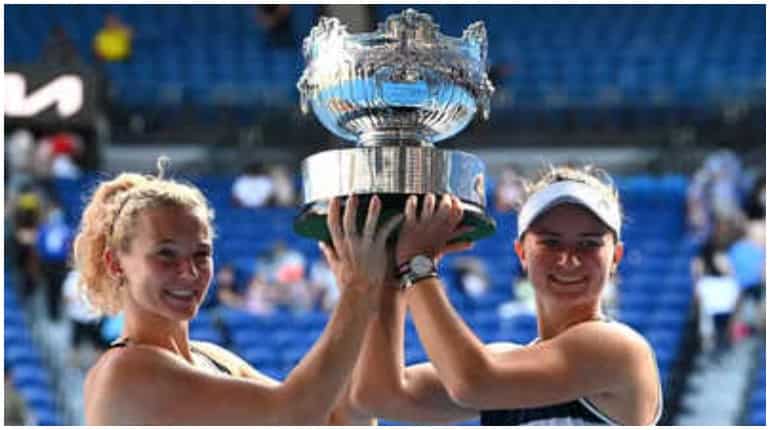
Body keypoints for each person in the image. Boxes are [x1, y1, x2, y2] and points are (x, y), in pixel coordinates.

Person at [76, 158, 402, 424]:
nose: (188, 272)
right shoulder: (125, 372)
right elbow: (295, 416)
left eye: (201, 255)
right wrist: (358, 290)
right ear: (116, 263)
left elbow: (337, 421)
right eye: (166, 254)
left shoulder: (210, 357)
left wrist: (387, 282)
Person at [350, 165, 663, 425]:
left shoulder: (618, 350)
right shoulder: (502, 363)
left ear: (616, 258)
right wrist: (389, 276)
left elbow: (471, 383)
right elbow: (380, 395)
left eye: (589, 243)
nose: (569, 259)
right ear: (521, 253)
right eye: (551, 242)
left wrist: (417, 266)